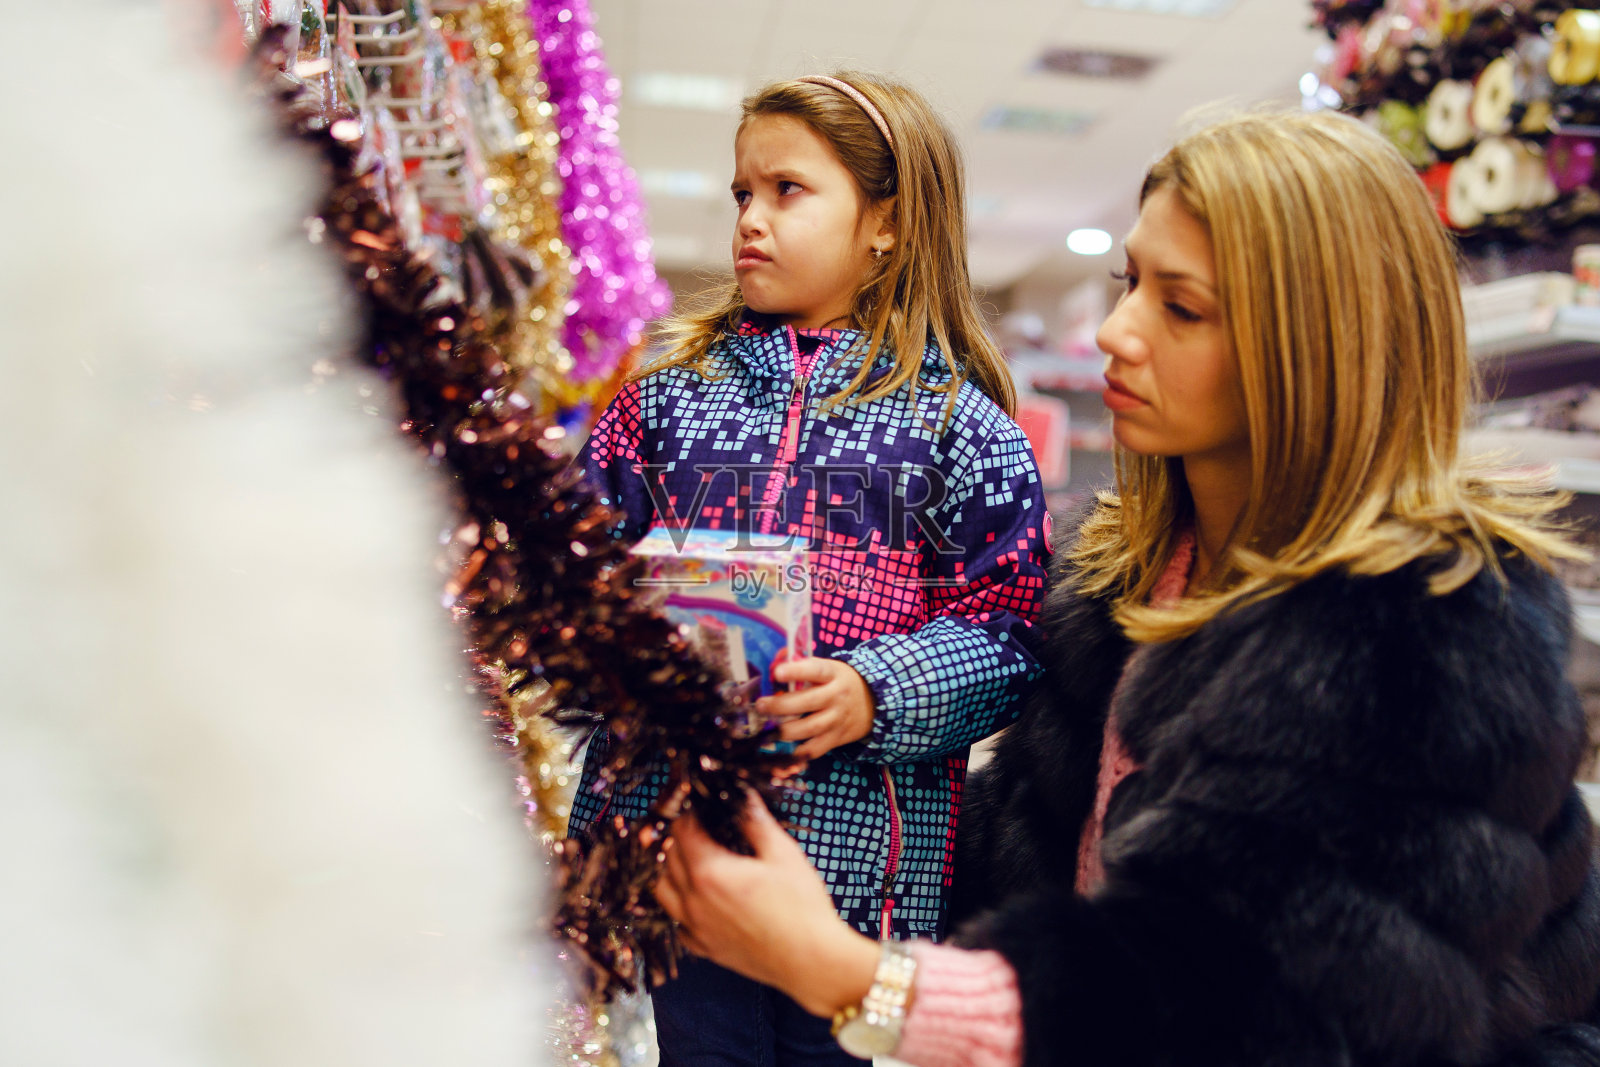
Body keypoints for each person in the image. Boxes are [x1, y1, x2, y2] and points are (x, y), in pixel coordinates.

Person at [652, 108, 1600, 1067]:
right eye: (1129, 283)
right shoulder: (1131, 579)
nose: (1115, 331)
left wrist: (847, 973)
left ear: (1315, 345)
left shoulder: (1423, 631)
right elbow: (1060, 852)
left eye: (1180, 307)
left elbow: (1227, 1000)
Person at [570, 71, 1049, 1064]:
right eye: (744, 192)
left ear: (886, 221)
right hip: (668, 862)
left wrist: (875, 691)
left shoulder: (963, 432)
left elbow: (1007, 633)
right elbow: (575, 577)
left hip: (859, 901)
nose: (751, 217)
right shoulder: (656, 406)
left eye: (788, 190)